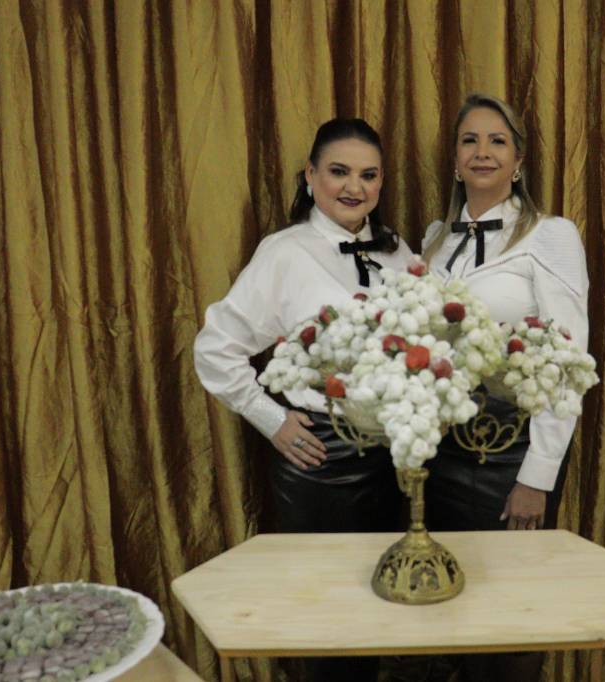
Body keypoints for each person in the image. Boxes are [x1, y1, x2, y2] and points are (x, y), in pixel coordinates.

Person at [194, 118, 412, 682]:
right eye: (339, 171)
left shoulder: (396, 251)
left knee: (382, 610)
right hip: (322, 459)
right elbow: (215, 349)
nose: (354, 187)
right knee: (326, 614)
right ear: (311, 176)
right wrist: (271, 419)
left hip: (394, 458)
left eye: (369, 175)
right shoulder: (285, 253)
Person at [422, 93, 590, 682]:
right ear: (454, 159)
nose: (483, 151)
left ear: (518, 161)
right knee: (455, 608)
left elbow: (569, 360)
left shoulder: (550, 234)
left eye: (498, 141)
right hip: (443, 454)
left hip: (509, 451)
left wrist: (536, 477)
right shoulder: (435, 238)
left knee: (511, 618)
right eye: (470, 140)